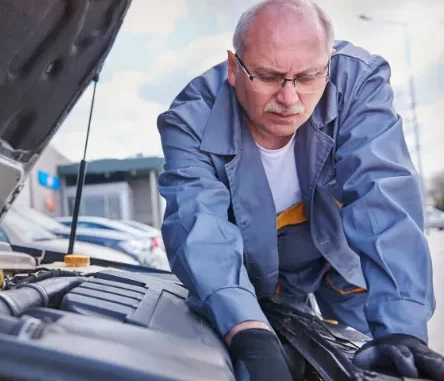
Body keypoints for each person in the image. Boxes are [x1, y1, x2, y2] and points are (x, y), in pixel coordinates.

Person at [156, 0, 444, 380]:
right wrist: (247, 330)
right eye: (269, 77)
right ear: (233, 67)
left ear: (328, 65)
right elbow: (199, 225)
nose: (289, 99)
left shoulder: (356, 82)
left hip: (342, 267)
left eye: (308, 78)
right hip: (256, 275)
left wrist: (402, 327)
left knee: (378, 363)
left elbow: (382, 193)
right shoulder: (191, 120)